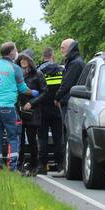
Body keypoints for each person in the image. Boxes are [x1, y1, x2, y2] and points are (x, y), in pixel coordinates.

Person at [0, 42, 35, 172]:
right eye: (16, 50)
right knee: (12, 136)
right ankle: (12, 167)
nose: (17, 53)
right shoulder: (15, 68)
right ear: (11, 53)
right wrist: (34, 92)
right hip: (7, 106)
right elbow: (23, 88)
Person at [53, 38, 84, 177]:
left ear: (70, 48)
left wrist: (57, 96)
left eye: (63, 47)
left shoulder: (75, 63)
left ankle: (68, 168)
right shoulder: (73, 62)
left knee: (67, 135)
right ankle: (68, 168)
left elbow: (67, 83)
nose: (61, 50)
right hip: (69, 101)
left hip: (69, 102)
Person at [16, 50, 47, 175]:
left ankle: (34, 165)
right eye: (21, 59)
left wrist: (32, 103)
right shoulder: (17, 74)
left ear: (30, 61)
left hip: (33, 111)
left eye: (26, 59)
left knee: (32, 139)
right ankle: (20, 165)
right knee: (20, 139)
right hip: (19, 110)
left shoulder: (37, 74)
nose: (23, 61)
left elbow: (45, 92)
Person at [37, 46, 64, 174]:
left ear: (43, 57)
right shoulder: (61, 70)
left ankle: (42, 165)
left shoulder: (39, 71)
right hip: (57, 108)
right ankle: (60, 165)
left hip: (42, 109)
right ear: (53, 57)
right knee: (58, 138)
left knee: (42, 138)